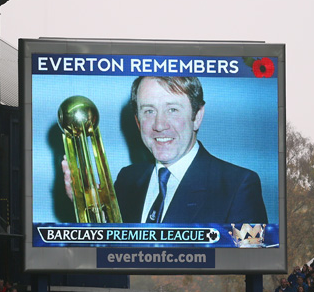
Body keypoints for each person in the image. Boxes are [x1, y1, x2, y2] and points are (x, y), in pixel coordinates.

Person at [63, 76, 268, 224]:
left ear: (197, 116)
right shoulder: (127, 180)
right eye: (149, 111)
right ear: (137, 121)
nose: (159, 125)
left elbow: (241, 273)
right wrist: (86, 207)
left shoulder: (238, 186)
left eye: (172, 109)